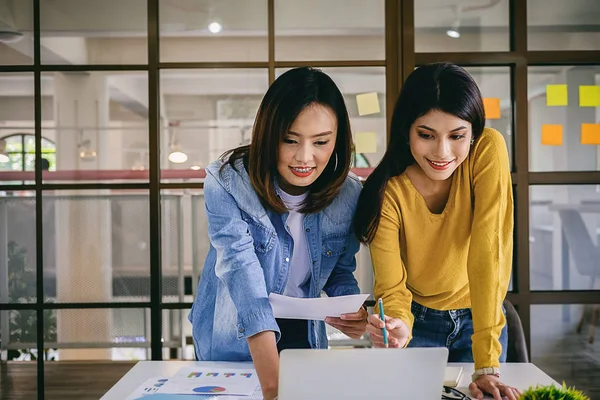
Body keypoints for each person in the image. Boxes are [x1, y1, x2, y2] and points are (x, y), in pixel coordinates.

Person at [189, 67, 367, 400]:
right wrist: (273, 387)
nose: (304, 157)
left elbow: (339, 270)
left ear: (338, 140)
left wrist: (352, 311)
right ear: (270, 134)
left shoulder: (349, 194)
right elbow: (241, 271)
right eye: (290, 140)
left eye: (321, 142)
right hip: (238, 333)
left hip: (304, 336)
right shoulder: (227, 181)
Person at [354, 62, 520, 400]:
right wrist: (398, 325)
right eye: (426, 135)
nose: (442, 152)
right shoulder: (388, 193)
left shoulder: (487, 150)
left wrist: (487, 363)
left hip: (481, 316)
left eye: (457, 136)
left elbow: (490, 251)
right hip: (419, 321)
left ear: (473, 133)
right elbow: (392, 286)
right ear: (406, 131)